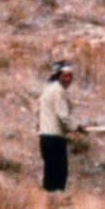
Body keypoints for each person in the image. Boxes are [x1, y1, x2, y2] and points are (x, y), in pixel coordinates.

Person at [38, 61, 85, 192]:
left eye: (70, 76)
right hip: (55, 139)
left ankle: (48, 205)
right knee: (59, 175)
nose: (68, 79)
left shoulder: (47, 89)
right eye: (64, 76)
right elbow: (63, 115)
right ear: (57, 75)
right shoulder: (58, 91)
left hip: (45, 137)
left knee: (50, 174)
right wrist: (77, 127)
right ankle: (56, 205)